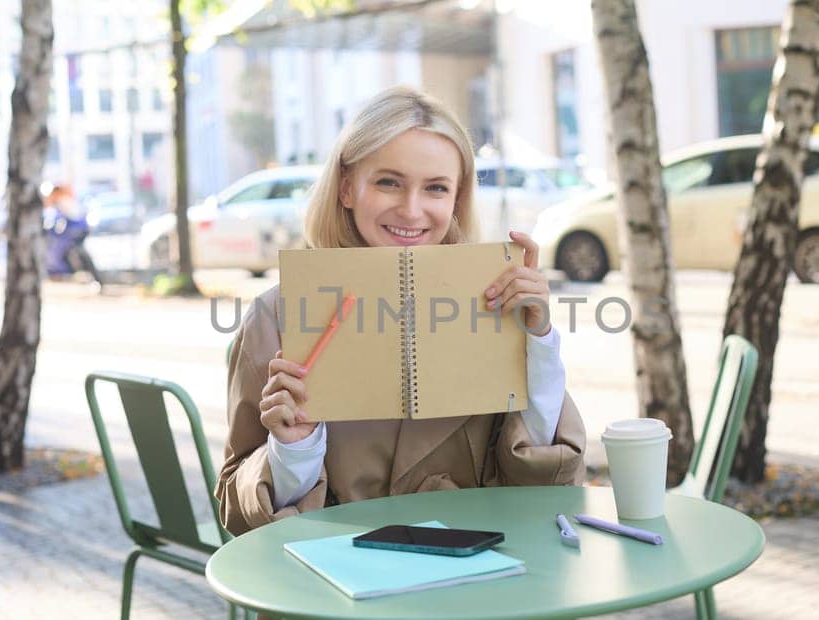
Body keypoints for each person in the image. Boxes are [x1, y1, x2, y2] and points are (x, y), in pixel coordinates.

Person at [217, 86, 585, 536]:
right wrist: (294, 451)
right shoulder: (277, 316)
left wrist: (540, 348)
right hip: (338, 587)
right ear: (348, 187)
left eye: (435, 188)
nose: (412, 211)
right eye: (388, 182)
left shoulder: (497, 302)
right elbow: (238, 518)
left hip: (477, 575)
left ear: (457, 200)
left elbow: (548, 485)